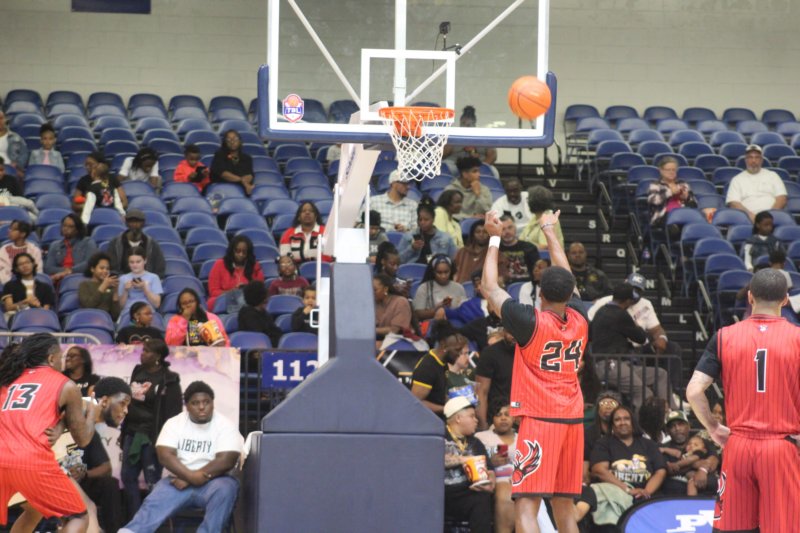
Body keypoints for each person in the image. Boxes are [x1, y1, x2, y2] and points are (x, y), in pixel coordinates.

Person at [482, 207, 588, 533]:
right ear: (569, 293)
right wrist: (549, 231)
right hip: (573, 419)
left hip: (541, 420)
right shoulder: (581, 319)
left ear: (540, 293)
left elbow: (488, 286)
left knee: (527, 507)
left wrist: (494, 238)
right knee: (565, 508)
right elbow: (566, 275)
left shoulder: (529, 322)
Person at [687, 268, 800, 532]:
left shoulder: (724, 336)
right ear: (785, 299)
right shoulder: (797, 338)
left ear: (750, 297)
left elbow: (693, 391)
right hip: (781, 448)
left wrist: (713, 427)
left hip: (738, 446)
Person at [0, 334, 98, 532]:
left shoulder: (8, 380)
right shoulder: (65, 385)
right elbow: (83, 439)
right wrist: (93, 414)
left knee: (34, 510)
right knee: (78, 516)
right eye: (61, 357)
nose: (63, 362)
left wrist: (61, 423)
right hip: (30, 461)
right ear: (52, 358)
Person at [119, 381, 244, 533]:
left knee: (226, 489)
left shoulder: (225, 425)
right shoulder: (174, 423)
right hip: (177, 481)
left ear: (212, 403)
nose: (202, 407)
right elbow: (165, 455)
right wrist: (190, 477)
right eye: (195, 403)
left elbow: (226, 460)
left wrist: (190, 478)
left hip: (214, 481)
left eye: (206, 402)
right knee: (155, 500)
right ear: (187, 406)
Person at [120, 338, 183, 518]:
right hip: (132, 432)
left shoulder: (169, 379)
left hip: (152, 436)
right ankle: (135, 519)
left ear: (157, 356)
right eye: (143, 350)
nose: (142, 354)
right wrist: (124, 431)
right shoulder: (138, 371)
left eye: (147, 351)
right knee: (128, 477)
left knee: (152, 481)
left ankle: (151, 520)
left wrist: (166, 440)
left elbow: (174, 413)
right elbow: (129, 403)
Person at [591, 283, 675, 410]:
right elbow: (641, 338)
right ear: (628, 301)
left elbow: (589, 334)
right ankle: (643, 422)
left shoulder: (600, 311)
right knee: (644, 393)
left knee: (660, 374)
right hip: (610, 365)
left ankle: (671, 414)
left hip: (617, 364)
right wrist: (636, 325)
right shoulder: (620, 314)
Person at [64, 377, 132, 533]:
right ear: (105, 401)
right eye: (122, 404)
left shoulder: (90, 427)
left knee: (109, 484)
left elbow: (106, 467)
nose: (126, 411)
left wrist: (84, 473)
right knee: (88, 510)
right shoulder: (73, 411)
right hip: (45, 474)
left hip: (73, 481)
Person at [589, 405, 666, 524]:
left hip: (647, 497)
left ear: (633, 422)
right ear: (612, 425)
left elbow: (660, 471)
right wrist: (628, 490)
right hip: (615, 495)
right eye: (617, 420)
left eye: (626, 418)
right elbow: (599, 470)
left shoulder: (648, 444)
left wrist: (646, 492)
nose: (622, 422)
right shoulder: (604, 443)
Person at [443, 396, 495, 533]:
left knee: (482, 498)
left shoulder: (475, 442)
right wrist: (463, 460)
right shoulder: (439, 436)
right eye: (472, 416)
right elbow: (432, 460)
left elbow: (490, 469)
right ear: (458, 418)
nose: (476, 420)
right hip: (441, 493)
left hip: (468, 492)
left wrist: (490, 483)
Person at [476, 400, 517, 533]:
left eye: (507, 414)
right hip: (495, 478)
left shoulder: (523, 438)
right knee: (506, 494)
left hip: (520, 479)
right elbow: (474, 461)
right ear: (492, 418)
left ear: (514, 418)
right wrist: (490, 463)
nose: (503, 418)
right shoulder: (481, 437)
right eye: (498, 415)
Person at [659, 410, 719, 496]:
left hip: (708, 497)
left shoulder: (701, 442)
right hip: (674, 498)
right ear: (668, 431)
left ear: (688, 426)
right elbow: (669, 470)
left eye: (680, 424)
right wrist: (697, 465)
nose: (677, 428)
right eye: (672, 426)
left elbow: (714, 461)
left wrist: (703, 470)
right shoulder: (664, 449)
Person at [411, 323, 466, 416]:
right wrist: (446, 409)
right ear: (444, 346)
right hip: (426, 420)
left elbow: (438, 395)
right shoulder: (427, 368)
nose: (459, 354)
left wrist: (454, 403)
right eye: (457, 350)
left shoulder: (442, 362)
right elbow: (416, 402)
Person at [726, 144, 787, 223]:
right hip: (747, 219)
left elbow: (782, 198)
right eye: (750, 157)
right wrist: (753, 217)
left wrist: (769, 217)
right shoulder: (737, 179)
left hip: (773, 218)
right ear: (745, 160)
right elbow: (734, 203)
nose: (753, 161)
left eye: (757, 157)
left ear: (761, 160)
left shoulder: (773, 176)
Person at [207, 235, 265, 313]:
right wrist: (233, 292)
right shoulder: (219, 264)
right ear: (232, 250)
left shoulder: (254, 266)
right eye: (238, 251)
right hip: (225, 303)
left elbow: (260, 290)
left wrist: (246, 290)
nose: (241, 254)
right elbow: (213, 291)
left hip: (248, 303)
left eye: (244, 252)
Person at [106, 208, 167, 277]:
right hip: (121, 279)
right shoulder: (115, 243)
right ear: (126, 223)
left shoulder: (152, 244)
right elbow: (112, 267)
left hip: (146, 280)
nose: (134, 224)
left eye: (137, 221)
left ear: (143, 223)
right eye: (131, 221)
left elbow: (160, 268)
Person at [475, 330, 516, 430]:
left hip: (527, 419)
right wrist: (482, 424)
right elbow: (481, 392)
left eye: (518, 330)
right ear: (504, 330)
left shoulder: (534, 352)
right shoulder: (490, 353)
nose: (514, 336)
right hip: (496, 420)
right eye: (510, 331)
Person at [442, 106, 499, 178]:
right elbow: (443, 154)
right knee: (444, 167)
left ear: (474, 124)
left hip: (478, 164)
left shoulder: (484, 135)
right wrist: (451, 140)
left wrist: (482, 166)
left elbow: (492, 155)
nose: (465, 126)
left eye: (468, 125)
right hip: (454, 164)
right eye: (463, 123)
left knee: (493, 172)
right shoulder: (453, 134)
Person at [166, 288, 230, 347]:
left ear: (197, 302)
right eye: (184, 303)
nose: (188, 305)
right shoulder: (175, 320)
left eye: (191, 301)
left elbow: (225, 343)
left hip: (210, 354)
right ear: (180, 306)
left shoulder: (212, 317)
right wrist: (184, 320)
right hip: (184, 354)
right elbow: (170, 344)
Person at [412, 254, 467, 321]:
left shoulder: (459, 288)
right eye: (439, 272)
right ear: (433, 272)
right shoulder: (424, 288)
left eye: (446, 272)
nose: (443, 276)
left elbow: (464, 311)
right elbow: (418, 314)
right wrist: (436, 309)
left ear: (451, 271)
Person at [44, 213, 97, 283]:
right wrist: (65, 272)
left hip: (81, 278)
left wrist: (71, 271)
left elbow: (90, 263)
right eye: (64, 225)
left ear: (77, 229)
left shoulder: (88, 242)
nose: (66, 228)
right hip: (58, 278)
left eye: (70, 226)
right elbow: (49, 268)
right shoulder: (54, 245)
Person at [1, 252, 55, 322]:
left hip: (39, 318)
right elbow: (8, 307)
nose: (25, 266)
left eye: (27, 262)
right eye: (20, 264)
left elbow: (46, 311)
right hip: (16, 319)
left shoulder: (45, 287)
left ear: (33, 264)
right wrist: (25, 302)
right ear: (16, 269)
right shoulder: (9, 285)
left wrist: (37, 307)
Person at [582, 391, 621, 484]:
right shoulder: (588, 434)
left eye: (612, 403)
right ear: (598, 410)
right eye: (603, 404)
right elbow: (584, 470)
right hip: (597, 482)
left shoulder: (626, 433)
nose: (608, 407)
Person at [646, 156, 697, 226]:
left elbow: (695, 203)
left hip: (683, 213)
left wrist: (687, 197)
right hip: (663, 216)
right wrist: (670, 192)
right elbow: (653, 201)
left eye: (673, 170)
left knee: (698, 214)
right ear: (661, 170)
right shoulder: (656, 185)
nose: (671, 172)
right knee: (678, 217)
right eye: (668, 170)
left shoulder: (682, 184)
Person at [118, 246, 163, 324]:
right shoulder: (123, 278)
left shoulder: (154, 277)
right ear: (128, 263)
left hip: (148, 313)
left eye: (138, 262)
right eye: (131, 262)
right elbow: (121, 306)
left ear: (145, 261)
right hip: (128, 312)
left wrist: (145, 288)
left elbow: (157, 304)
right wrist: (125, 290)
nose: (135, 265)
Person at [443, 156, 493, 220]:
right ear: (465, 174)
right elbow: (447, 213)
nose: (479, 174)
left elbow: (486, 211)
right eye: (475, 171)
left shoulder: (484, 189)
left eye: (479, 171)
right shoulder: (450, 190)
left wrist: (478, 195)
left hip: (478, 223)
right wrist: (470, 218)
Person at [373, 273, 413, 349]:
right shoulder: (374, 304)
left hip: (401, 341)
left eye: (375, 290)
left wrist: (371, 331)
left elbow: (394, 330)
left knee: (371, 346)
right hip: (380, 340)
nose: (371, 293)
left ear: (385, 289)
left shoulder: (400, 302)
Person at [238, 280, 283, 347]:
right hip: (253, 348)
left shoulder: (264, 313)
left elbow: (276, 331)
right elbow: (258, 337)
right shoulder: (247, 314)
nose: (267, 299)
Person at [519, 186, 565, 251]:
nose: (527, 202)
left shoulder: (549, 220)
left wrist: (525, 248)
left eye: (528, 200)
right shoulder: (534, 218)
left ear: (534, 202)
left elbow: (544, 247)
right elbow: (521, 241)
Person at [79, 251, 121, 321]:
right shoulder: (84, 285)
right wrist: (103, 286)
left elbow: (115, 316)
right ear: (92, 269)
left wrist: (116, 293)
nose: (105, 271)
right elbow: (88, 305)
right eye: (101, 268)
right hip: (88, 320)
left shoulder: (110, 287)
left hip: (105, 321)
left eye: (107, 269)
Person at [498, 214, 540, 284]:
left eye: (510, 227)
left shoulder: (529, 247)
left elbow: (538, 273)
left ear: (515, 227)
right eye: (503, 229)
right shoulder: (495, 249)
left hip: (527, 285)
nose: (507, 232)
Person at [210, 129, 254, 196]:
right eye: (229, 139)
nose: (232, 141)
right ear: (225, 142)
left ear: (240, 141)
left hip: (241, 190)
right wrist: (242, 181)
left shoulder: (247, 158)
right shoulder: (219, 155)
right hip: (221, 189)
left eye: (235, 139)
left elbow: (250, 175)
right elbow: (223, 174)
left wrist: (246, 180)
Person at [0, 219, 43, 284]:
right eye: (10, 228)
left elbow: (38, 270)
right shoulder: (4, 249)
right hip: (6, 283)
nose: (9, 231)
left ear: (23, 234)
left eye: (14, 229)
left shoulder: (34, 250)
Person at [453, 219, 490, 284]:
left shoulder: (495, 254)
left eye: (485, 232)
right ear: (473, 234)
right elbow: (453, 272)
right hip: (460, 287)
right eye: (478, 232)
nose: (481, 234)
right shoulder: (462, 252)